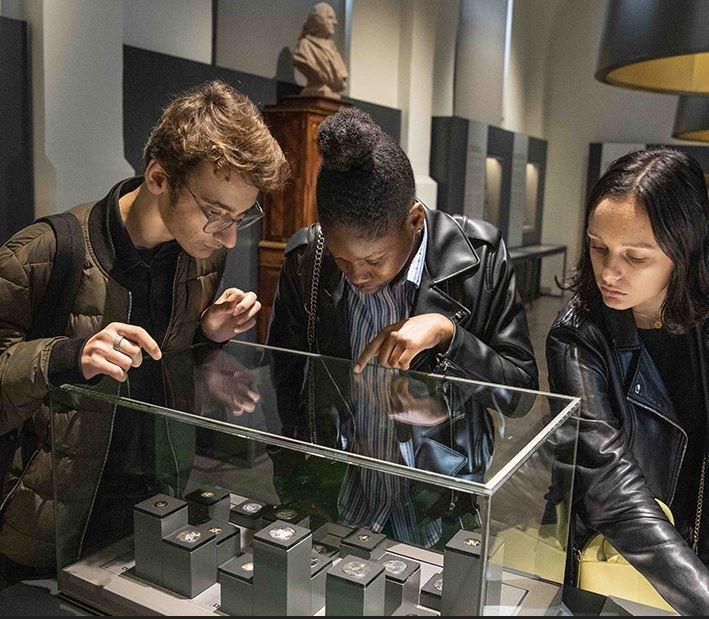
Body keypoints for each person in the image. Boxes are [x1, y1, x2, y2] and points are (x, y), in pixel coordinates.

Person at [0, 80, 288, 580]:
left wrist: (207, 341)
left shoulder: (203, 257)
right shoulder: (44, 253)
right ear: (158, 177)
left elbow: (165, 359)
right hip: (45, 529)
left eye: (241, 218)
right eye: (216, 214)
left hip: (155, 513)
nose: (228, 238)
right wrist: (70, 355)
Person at [267, 107, 537, 545]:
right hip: (339, 496)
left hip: (439, 501)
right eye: (342, 259)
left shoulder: (479, 256)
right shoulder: (307, 261)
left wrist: (450, 335)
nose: (357, 275)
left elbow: (521, 395)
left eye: (373, 260)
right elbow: (287, 384)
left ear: (414, 221)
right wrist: (297, 481)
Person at [546, 148, 709, 614]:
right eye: (598, 248)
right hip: (617, 558)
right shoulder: (578, 335)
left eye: (635, 257)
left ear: (684, 252)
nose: (609, 273)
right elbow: (608, 482)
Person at [292, 2, 348, 98]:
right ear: (318, 19)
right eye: (330, 18)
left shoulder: (333, 49)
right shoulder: (305, 46)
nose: (335, 22)